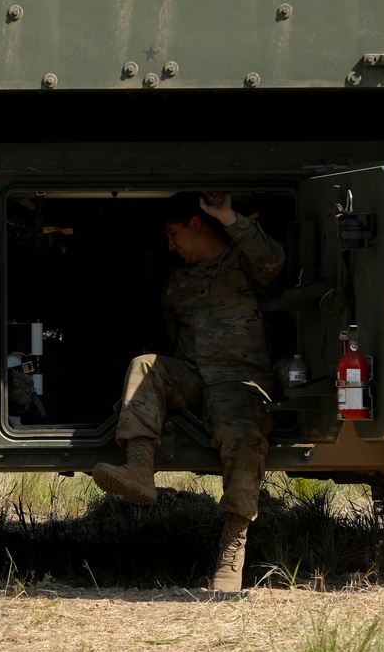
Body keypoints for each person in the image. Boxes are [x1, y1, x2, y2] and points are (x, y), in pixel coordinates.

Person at [92, 190, 285, 594]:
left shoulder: (244, 264)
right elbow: (170, 337)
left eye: (173, 234)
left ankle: (232, 552)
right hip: (194, 376)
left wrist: (230, 217)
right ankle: (140, 470)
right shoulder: (177, 283)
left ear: (196, 225)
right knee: (146, 365)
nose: (170, 246)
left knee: (242, 435)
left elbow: (273, 260)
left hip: (240, 381)